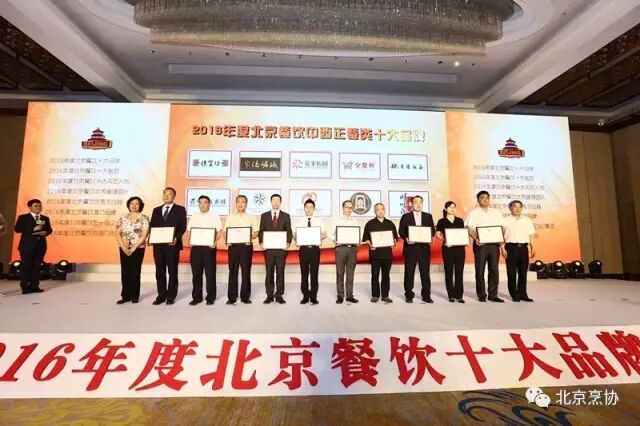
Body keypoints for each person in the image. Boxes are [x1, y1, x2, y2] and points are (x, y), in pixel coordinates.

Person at [149, 187, 187, 305]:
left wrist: (177, 237)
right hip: (158, 246)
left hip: (172, 245)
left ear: (174, 196)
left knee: (172, 271)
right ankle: (161, 295)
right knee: (159, 271)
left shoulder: (180, 209)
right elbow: (152, 226)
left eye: (169, 194)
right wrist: (151, 238)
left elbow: (183, 226)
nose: (166, 196)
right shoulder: (156, 210)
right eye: (165, 194)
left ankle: (171, 296)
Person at [465, 190, 505, 303]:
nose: (484, 200)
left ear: (489, 199)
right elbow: (469, 228)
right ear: (478, 200)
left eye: (487, 197)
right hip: (480, 244)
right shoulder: (473, 213)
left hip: (494, 245)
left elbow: (502, 227)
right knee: (480, 270)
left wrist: (501, 241)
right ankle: (481, 295)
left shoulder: (496, 212)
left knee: (494, 270)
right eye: (482, 198)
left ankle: (493, 295)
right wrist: (475, 238)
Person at [398, 195, 435, 303]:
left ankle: (426, 295)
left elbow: (432, 231)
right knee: (409, 273)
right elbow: (401, 231)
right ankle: (409, 295)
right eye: (415, 202)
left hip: (424, 249)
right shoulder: (406, 216)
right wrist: (406, 238)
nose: (418, 204)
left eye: (420, 202)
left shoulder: (428, 216)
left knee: (425, 273)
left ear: (423, 204)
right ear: (411, 204)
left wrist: (430, 237)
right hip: (410, 248)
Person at [187, 195, 222, 306]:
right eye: (200, 202)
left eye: (205, 202)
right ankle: (197, 297)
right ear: (198, 204)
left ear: (209, 204)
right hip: (196, 248)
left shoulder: (215, 216)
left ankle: (210, 297)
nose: (202, 205)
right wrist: (191, 240)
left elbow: (219, 231)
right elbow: (189, 231)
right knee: (196, 274)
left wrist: (214, 241)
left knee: (210, 274)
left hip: (209, 248)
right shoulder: (194, 216)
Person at [224, 195, 259, 305]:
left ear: (246, 204)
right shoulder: (230, 217)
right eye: (238, 202)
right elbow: (225, 232)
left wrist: (250, 238)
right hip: (233, 247)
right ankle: (232, 297)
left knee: (246, 271)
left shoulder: (251, 217)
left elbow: (256, 232)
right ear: (235, 203)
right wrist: (227, 240)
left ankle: (245, 297)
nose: (240, 204)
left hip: (246, 246)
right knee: (232, 271)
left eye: (243, 202)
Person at [259, 194, 293, 304]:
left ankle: (279, 295)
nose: (276, 202)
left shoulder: (286, 216)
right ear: (271, 202)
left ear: (280, 202)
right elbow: (261, 231)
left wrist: (288, 242)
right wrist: (261, 242)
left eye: (278, 200)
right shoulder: (264, 216)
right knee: (269, 272)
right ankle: (269, 295)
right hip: (268, 249)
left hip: (281, 249)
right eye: (274, 200)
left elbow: (289, 231)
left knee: (280, 272)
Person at [115, 196, 149, 304]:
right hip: (124, 248)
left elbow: (144, 234)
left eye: (137, 204)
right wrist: (124, 247)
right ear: (128, 205)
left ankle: (135, 296)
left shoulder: (144, 218)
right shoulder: (123, 218)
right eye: (132, 204)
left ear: (140, 206)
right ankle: (125, 296)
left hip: (138, 248)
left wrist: (134, 247)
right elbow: (117, 233)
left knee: (135, 272)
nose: (134, 206)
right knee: (125, 272)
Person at [14, 199, 52, 294]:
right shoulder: (23, 217)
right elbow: (17, 229)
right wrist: (33, 229)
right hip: (27, 246)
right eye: (36, 206)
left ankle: (34, 286)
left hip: (40, 246)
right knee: (26, 266)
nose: (38, 207)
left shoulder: (45, 218)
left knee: (37, 266)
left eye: (40, 205)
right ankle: (25, 287)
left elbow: (49, 230)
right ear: (30, 207)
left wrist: (45, 232)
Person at [362, 203, 398, 304]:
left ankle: (385, 295)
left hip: (387, 254)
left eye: (382, 209)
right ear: (375, 211)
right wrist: (370, 244)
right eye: (378, 209)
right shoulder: (370, 224)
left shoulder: (390, 223)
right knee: (375, 275)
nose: (380, 211)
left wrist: (393, 243)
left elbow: (395, 238)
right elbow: (366, 239)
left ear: (384, 210)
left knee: (386, 276)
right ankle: (375, 295)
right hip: (375, 254)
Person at [502, 200, 536, 302]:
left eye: (519, 207)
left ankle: (523, 294)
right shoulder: (505, 220)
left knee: (523, 272)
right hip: (510, 248)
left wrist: (532, 247)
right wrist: (502, 248)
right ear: (510, 208)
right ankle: (514, 294)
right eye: (515, 206)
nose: (517, 208)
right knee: (511, 273)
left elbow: (531, 234)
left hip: (523, 248)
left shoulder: (526, 220)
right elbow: (501, 235)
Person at [293, 199, 325, 305]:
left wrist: (315, 236)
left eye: (311, 207)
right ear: (304, 208)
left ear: (314, 209)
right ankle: (306, 296)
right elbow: (294, 235)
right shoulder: (299, 221)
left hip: (315, 249)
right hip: (304, 249)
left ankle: (314, 296)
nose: (309, 209)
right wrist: (298, 238)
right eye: (307, 207)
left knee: (314, 273)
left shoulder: (319, 221)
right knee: (304, 273)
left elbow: (324, 234)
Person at [435, 201, 466, 303]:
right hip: (448, 249)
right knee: (449, 272)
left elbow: (462, 234)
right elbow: (438, 234)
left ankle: (459, 295)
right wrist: (445, 240)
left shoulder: (460, 221)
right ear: (445, 209)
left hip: (460, 249)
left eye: (454, 207)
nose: (452, 209)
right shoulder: (441, 221)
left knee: (459, 272)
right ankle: (451, 295)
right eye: (450, 207)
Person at [330, 200, 360, 304]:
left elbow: (358, 235)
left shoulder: (355, 221)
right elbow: (330, 234)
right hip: (341, 249)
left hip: (352, 249)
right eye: (347, 207)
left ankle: (349, 296)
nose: (349, 209)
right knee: (340, 273)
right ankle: (340, 295)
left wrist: (358, 240)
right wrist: (335, 240)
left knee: (350, 274)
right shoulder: (337, 220)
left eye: (351, 207)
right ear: (343, 208)